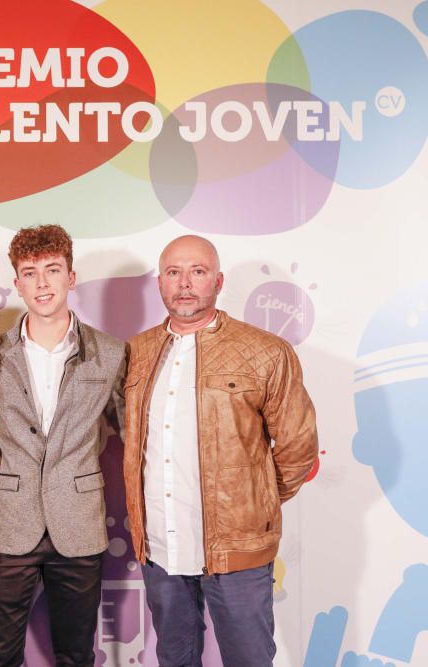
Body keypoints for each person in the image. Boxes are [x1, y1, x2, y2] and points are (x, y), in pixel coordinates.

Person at [123, 235, 318, 667]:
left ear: (218, 280)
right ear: (160, 284)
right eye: (174, 273)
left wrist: (253, 503)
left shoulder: (266, 352)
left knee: (248, 659)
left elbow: (299, 445)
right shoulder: (135, 353)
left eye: (198, 271)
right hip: (161, 547)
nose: (185, 284)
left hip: (238, 549)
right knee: (175, 658)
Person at [0, 224, 126, 667]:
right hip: (8, 522)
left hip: (78, 524)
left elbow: (135, 433)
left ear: (71, 277)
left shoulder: (111, 353)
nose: (42, 283)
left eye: (52, 270)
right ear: (17, 283)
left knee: (77, 655)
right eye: (30, 272)